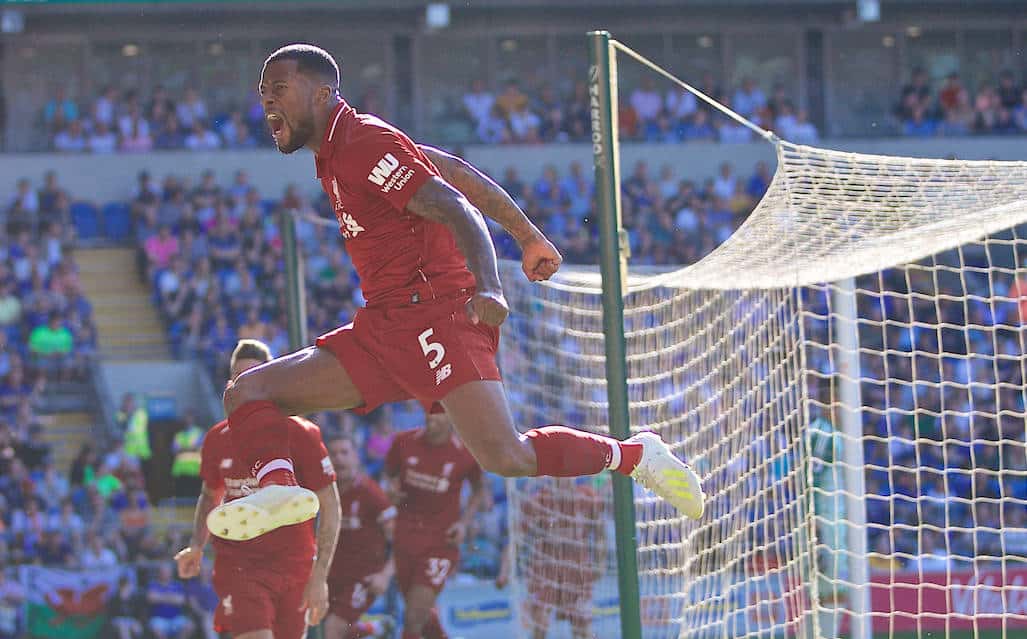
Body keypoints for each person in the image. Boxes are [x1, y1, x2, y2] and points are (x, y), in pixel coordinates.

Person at [212, 43, 703, 549]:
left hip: (438, 316)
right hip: (384, 327)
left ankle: (635, 456)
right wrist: (528, 235)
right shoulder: (341, 150)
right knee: (247, 391)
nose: (267, 100)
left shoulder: (362, 142)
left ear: (322, 94)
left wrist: (490, 285)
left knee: (506, 457)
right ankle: (276, 489)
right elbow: (456, 171)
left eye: (279, 88)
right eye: (262, 91)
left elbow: (456, 206)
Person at [175, 338, 341, 639]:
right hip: (240, 567)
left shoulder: (302, 435)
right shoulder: (216, 439)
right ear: (230, 387)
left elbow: (331, 507)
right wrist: (197, 545)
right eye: (241, 380)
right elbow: (209, 495)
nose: (248, 390)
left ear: (271, 384)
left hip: (295, 569)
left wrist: (320, 576)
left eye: (256, 378)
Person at [384, 411, 488, 639]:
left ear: (452, 419)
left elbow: (480, 490)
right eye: (429, 415)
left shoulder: (465, 455)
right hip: (405, 538)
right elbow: (389, 474)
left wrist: (464, 523)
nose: (432, 421)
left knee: (412, 618)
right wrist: (391, 489)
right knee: (422, 616)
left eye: (439, 416)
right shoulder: (404, 442)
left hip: (441, 543)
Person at [324, 432, 396, 639]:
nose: (338, 458)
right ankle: (374, 629)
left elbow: (400, 540)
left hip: (362, 580)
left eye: (344, 452)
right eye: (333, 454)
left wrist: (385, 575)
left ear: (356, 456)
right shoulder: (324, 494)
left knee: (333, 630)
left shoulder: (371, 494)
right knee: (327, 630)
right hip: (330, 578)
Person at [517, 477, 607, 639]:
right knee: (540, 625)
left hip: (578, 569)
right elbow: (519, 537)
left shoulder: (588, 497)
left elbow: (600, 532)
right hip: (545, 569)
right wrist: (505, 568)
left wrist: (600, 563)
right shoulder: (539, 500)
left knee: (582, 628)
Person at [146, 563, 195, 639]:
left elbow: (181, 600)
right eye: (163, 572)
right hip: (159, 618)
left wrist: (160, 597)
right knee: (157, 629)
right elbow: (151, 599)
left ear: (171, 573)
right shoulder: (153, 584)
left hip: (176, 618)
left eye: (167, 572)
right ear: (159, 573)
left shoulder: (177, 585)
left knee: (190, 626)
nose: (165, 574)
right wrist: (171, 597)